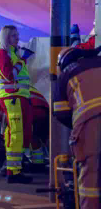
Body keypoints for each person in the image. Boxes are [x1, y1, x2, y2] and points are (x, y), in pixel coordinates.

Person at [54, 46, 101, 209]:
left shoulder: (65, 74)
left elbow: (60, 112)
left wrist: (76, 128)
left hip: (89, 124)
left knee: (91, 174)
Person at [0, 25, 33, 184]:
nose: (17, 38)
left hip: (17, 97)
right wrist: (22, 61)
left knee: (15, 134)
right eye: (14, 36)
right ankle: (13, 172)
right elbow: (9, 76)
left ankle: (13, 169)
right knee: (16, 134)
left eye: (17, 35)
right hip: (13, 97)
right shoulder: (2, 53)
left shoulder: (9, 52)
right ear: (6, 38)